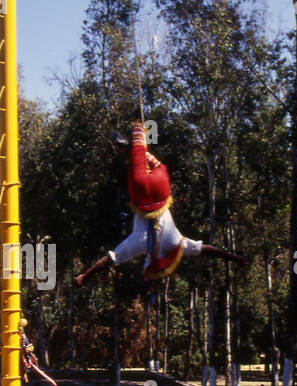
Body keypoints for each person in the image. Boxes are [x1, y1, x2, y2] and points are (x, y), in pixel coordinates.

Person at [76, 122, 247, 286]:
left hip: (161, 187)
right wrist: (85, 276)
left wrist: (234, 258)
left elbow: (207, 249)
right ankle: (132, 146)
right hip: (140, 189)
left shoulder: (178, 245)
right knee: (137, 154)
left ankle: (133, 146)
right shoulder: (136, 245)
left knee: (159, 166)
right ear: (148, 263)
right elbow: (110, 260)